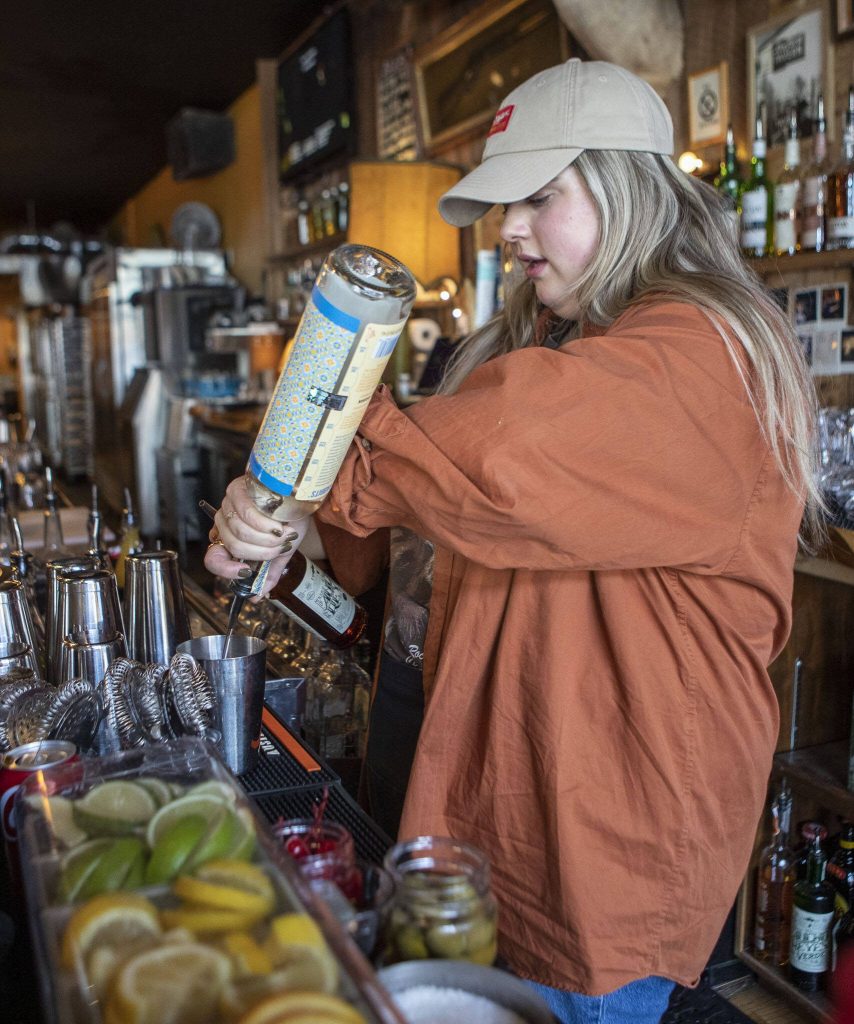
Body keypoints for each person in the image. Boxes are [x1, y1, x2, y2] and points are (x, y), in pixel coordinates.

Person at [206, 58, 822, 1024]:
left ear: (630, 188)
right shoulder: (543, 349)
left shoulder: (700, 354)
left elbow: (502, 458)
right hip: (483, 798)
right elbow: (425, 556)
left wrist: (310, 447)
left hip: (597, 847)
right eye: (504, 204)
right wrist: (289, 541)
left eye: (539, 195)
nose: (511, 229)